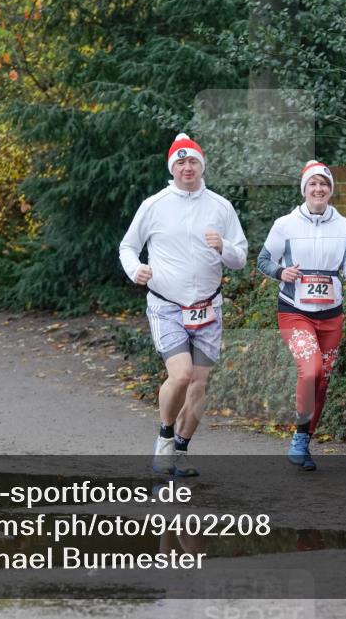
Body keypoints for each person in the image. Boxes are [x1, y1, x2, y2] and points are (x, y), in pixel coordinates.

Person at [119, 133, 248, 476]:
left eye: (193, 161)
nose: (187, 167)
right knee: (181, 375)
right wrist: (136, 270)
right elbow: (127, 246)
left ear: (201, 166)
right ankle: (164, 436)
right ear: (172, 168)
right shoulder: (154, 205)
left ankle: (181, 449)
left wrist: (224, 247)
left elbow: (241, 257)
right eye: (180, 162)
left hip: (208, 307)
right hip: (167, 306)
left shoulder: (220, 206)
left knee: (199, 383)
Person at [256, 160, 346, 471]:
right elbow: (263, 260)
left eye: (324, 185)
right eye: (313, 184)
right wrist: (281, 271)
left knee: (322, 381)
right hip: (295, 312)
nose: (319, 189)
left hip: (332, 315)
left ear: (330, 191)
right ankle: (299, 439)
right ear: (304, 190)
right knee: (310, 369)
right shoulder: (285, 225)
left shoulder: (345, 226)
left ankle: (303, 438)